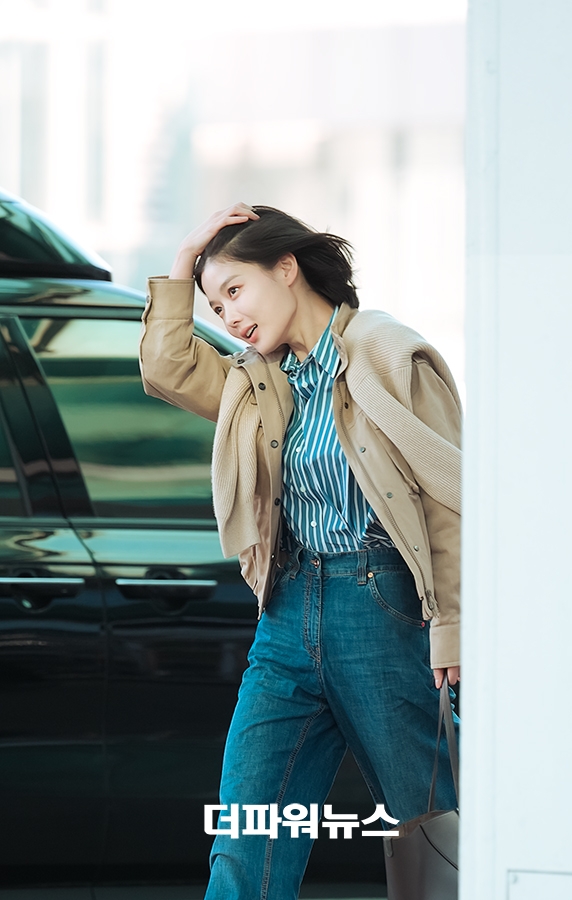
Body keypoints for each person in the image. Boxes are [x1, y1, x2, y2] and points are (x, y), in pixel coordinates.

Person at [139, 202, 461, 900]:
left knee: (431, 838)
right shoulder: (260, 382)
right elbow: (166, 368)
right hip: (284, 614)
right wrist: (187, 254)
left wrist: (452, 628)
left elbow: (449, 502)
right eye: (214, 302)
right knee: (245, 843)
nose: (226, 315)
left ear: (286, 267)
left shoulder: (385, 353)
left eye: (234, 290)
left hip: (381, 612)